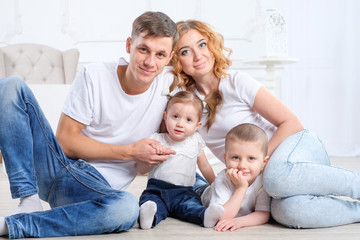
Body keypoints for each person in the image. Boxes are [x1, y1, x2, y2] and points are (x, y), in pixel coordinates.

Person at [0, 11, 179, 238]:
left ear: (170, 57)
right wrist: (130, 152)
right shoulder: (95, 75)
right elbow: (64, 141)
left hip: (94, 191)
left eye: (160, 54)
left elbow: (143, 168)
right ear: (129, 45)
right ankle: (28, 201)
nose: (150, 62)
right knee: (10, 86)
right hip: (57, 166)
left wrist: (147, 156)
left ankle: (13, 226)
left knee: (126, 208)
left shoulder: (170, 90)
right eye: (143, 49)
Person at [171, 19, 360, 229]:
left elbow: (291, 123)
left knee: (276, 179)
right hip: (264, 174)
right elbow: (190, 149)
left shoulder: (236, 81)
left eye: (202, 44)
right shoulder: (187, 105)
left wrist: (261, 162)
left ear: (212, 46)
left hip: (295, 146)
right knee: (287, 212)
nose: (198, 56)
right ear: (177, 60)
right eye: (185, 51)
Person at [138, 90, 223, 229]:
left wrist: (215, 186)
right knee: (151, 202)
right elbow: (141, 170)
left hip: (184, 191)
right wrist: (154, 158)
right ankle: (149, 217)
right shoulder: (156, 140)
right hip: (157, 189)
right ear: (165, 117)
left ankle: (205, 216)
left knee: (190, 206)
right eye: (175, 116)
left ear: (197, 125)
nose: (180, 124)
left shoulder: (195, 141)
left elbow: (205, 167)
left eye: (188, 120)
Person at [201, 123, 270, 231]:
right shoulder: (223, 179)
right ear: (225, 159)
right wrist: (241, 188)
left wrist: (239, 222)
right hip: (201, 193)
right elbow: (221, 217)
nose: (242, 165)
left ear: (263, 163)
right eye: (236, 157)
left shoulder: (262, 181)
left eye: (251, 158)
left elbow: (263, 214)